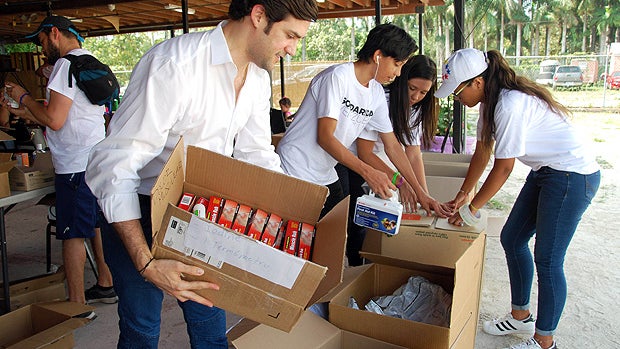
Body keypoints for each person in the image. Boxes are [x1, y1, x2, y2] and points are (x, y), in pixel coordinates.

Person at [84, 0, 318, 347]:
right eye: (290, 35)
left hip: (201, 210)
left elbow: (256, 154)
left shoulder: (255, 77)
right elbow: (114, 165)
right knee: (141, 328)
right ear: (258, 16)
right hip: (137, 206)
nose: (292, 49)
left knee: (210, 324)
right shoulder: (174, 65)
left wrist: (292, 216)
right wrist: (146, 263)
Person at [435, 48, 600, 349]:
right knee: (512, 238)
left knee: (548, 259)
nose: (455, 98)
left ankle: (544, 340)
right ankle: (520, 316)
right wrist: (463, 195)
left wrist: (472, 208)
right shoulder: (490, 103)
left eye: (457, 91)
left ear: (478, 83)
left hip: (571, 177)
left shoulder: (510, 103)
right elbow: (483, 152)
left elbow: (504, 167)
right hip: (547, 172)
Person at [277, 24, 449, 224]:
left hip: (324, 172)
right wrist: (369, 172)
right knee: (300, 239)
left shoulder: (375, 92)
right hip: (295, 168)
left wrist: (419, 192)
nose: (399, 73)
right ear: (378, 56)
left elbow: (392, 145)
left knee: (335, 235)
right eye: (397, 64)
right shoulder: (338, 77)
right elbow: (325, 137)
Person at [1, 15, 117, 308]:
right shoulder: (88, 61)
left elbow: (53, 119)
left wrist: (23, 97)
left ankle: (75, 304)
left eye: (41, 41)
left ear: (54, 33)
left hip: (74, 166)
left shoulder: (65, 66)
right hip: (93, 159)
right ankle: (106, 282)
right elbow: (63, 116)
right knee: (94, 225)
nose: (41, 49)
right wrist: (26, 112)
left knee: (72, 234)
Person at [344, 54, 443, 266]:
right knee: (358, 223)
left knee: (384, 221)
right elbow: (365, 153)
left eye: (423, 92)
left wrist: (423, 195)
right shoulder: (383, 101)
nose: (416, 96)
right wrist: (402, 182)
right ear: (402, 79)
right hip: (356, 165)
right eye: (412, 88)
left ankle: (372, 265)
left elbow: (413, 154)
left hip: (387, 165)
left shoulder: (416, 110)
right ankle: (356, 271)